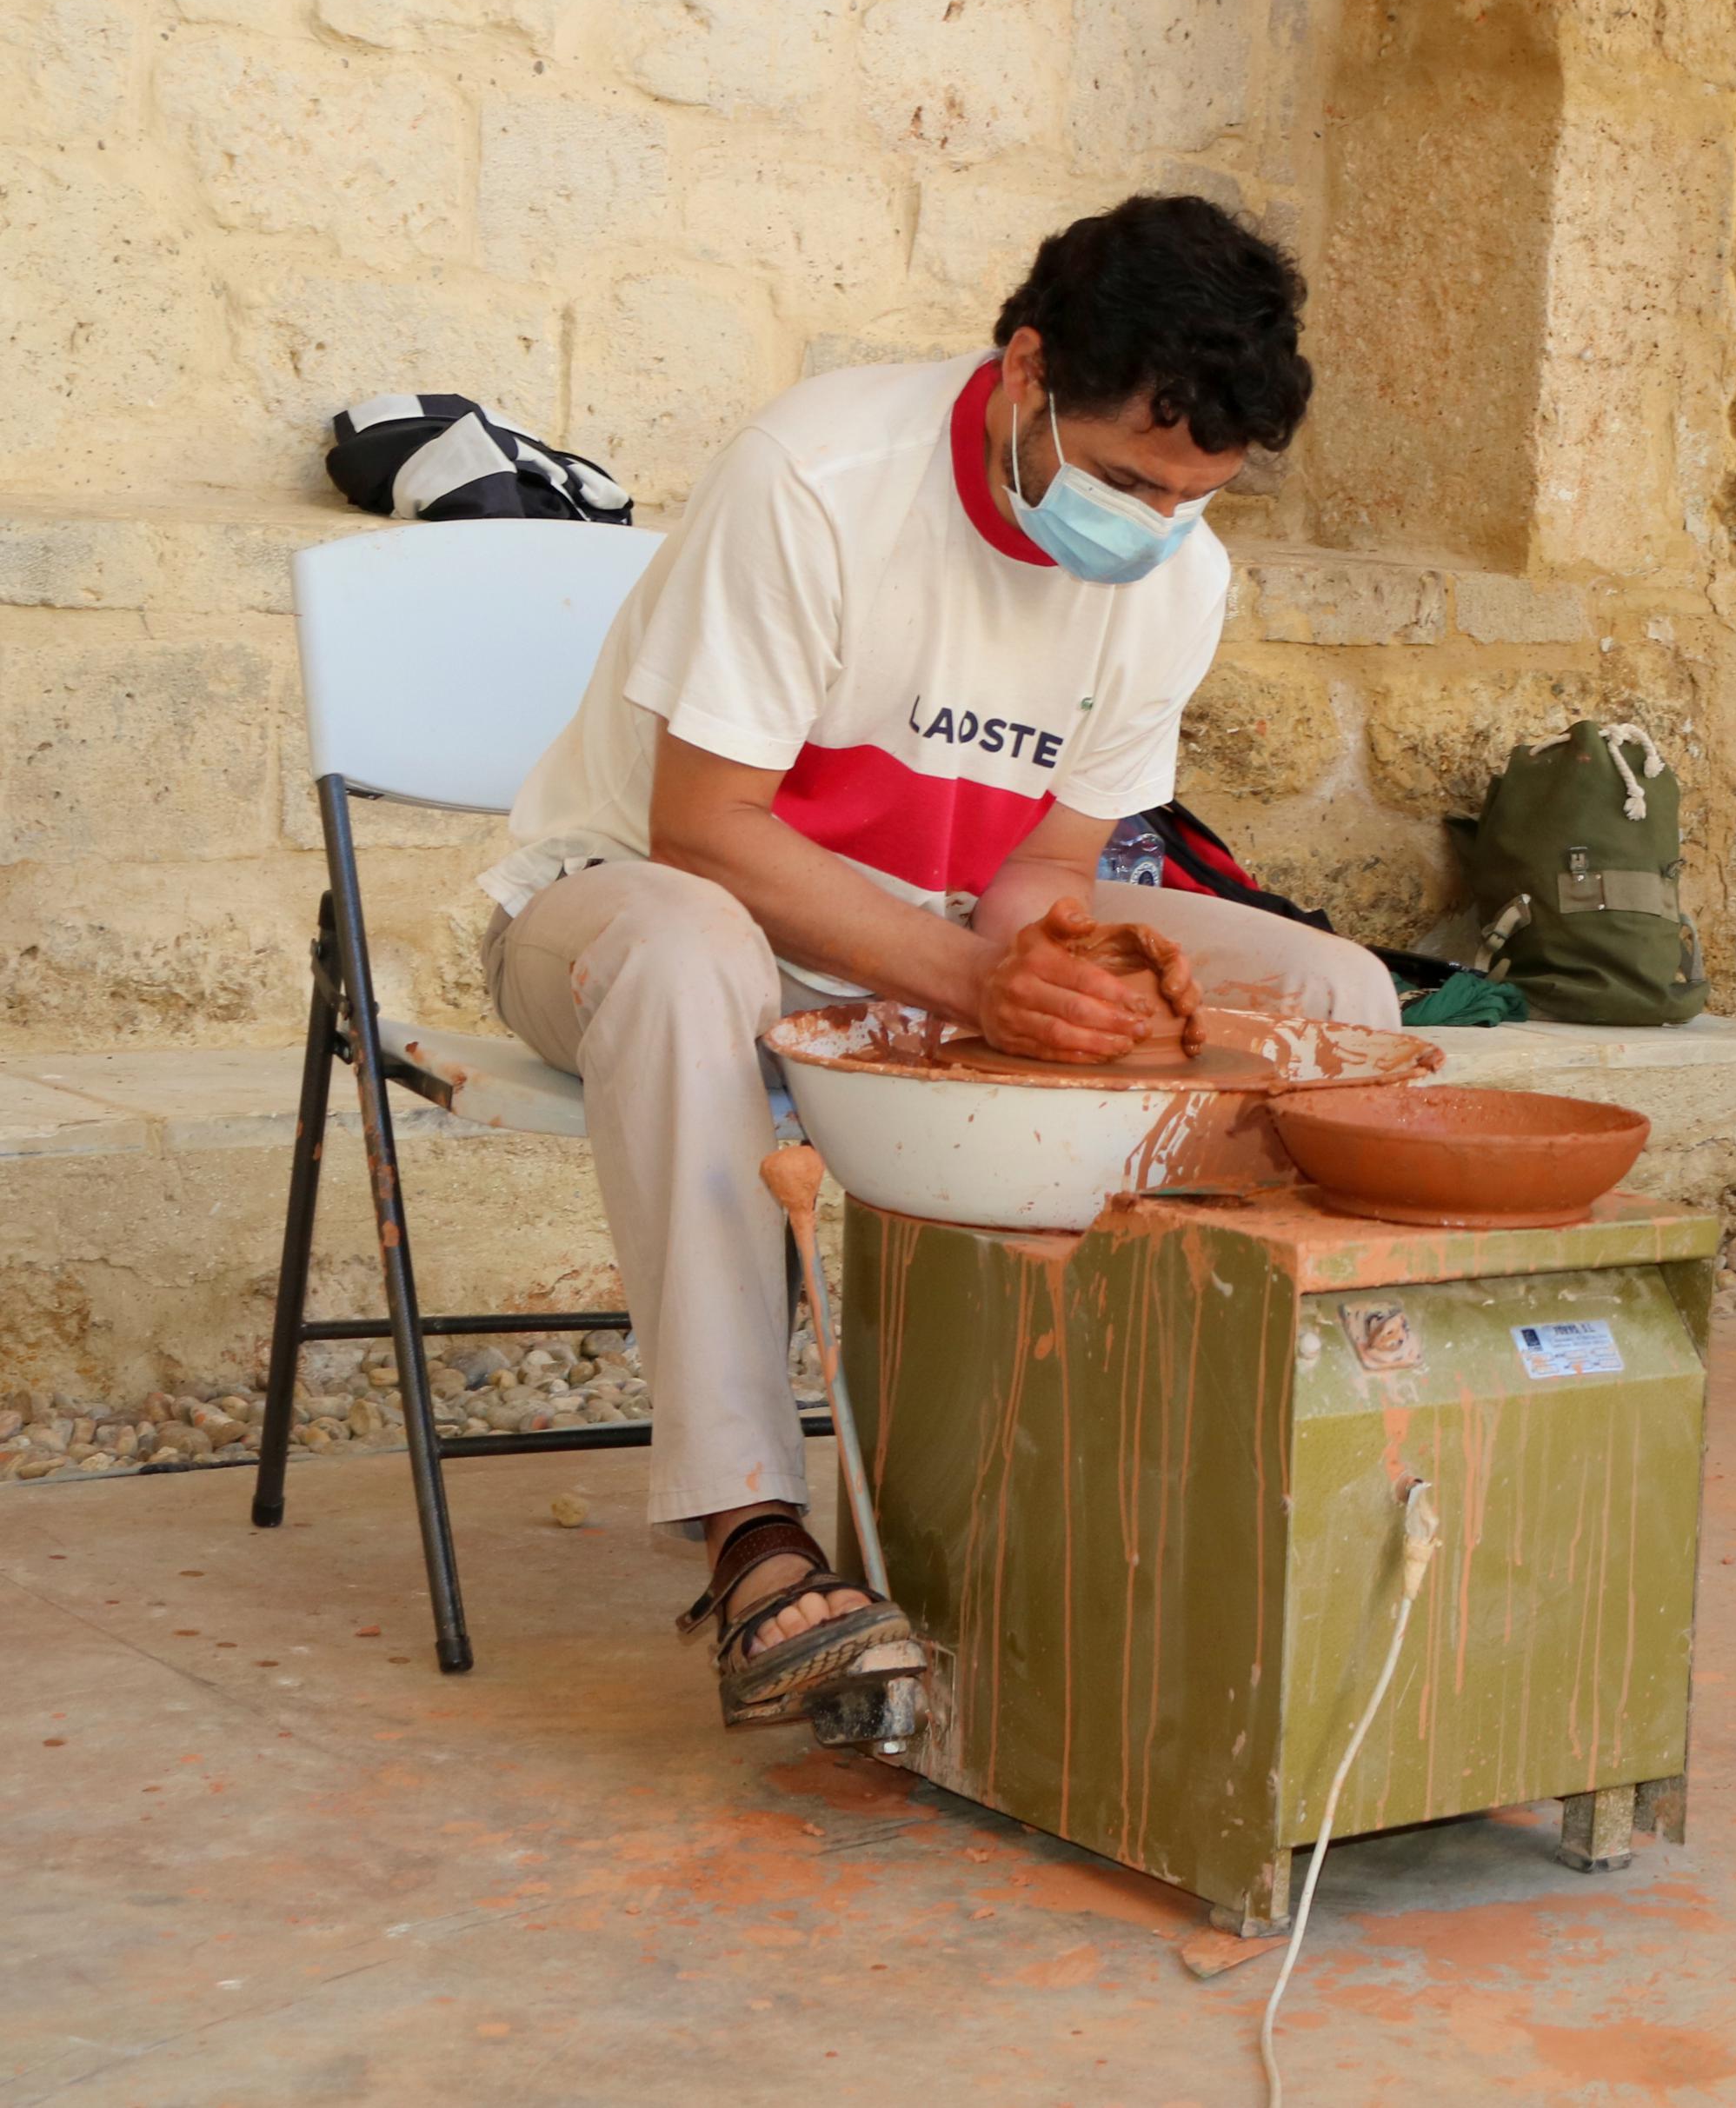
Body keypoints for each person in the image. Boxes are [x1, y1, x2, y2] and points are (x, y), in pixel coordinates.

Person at [478, 195, 1399, 1728]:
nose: (1153, 527)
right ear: (1027, 369)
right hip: (623, 908)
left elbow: (1039, 867)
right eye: (1123, 479)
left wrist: (1065, 963)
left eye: (1191, 497)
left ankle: (1189, 1472)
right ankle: (758, 1536)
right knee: (690, 948)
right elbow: (704, 829)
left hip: (915, 953)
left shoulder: (1178, 570)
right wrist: (978, 985)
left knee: (1335, 998)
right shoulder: (820, 477)